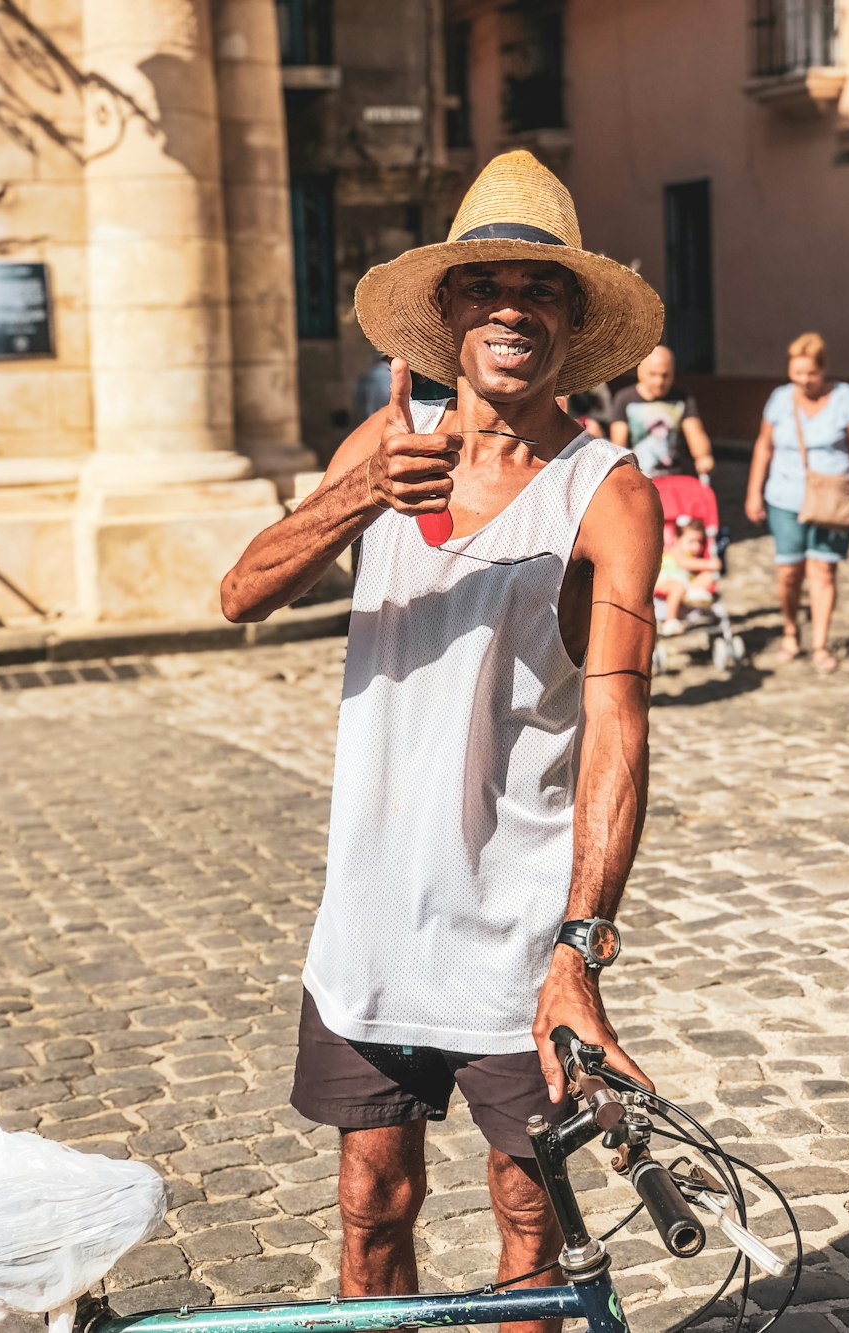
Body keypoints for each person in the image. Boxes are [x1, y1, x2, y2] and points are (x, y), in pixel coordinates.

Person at [219, 150, 665, 1330]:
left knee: (531, 1220)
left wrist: (580, 949)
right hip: (367, 920)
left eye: (541, 289)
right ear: (447, 313)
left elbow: (619, 720)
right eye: (484, 285)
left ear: (571, 323)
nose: (511, 305)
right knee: (371, 1203)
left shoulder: (604, 493)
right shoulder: (384, 440)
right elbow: (239, 592)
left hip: (515, 934)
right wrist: (357, 492)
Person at [744, 332, 849, 673]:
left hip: (831, 498)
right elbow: (763, 445)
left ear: (823, 370)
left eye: (810, 374)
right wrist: (754, 491)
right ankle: (790, 629)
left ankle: (820, 643)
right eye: (796, 373)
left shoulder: (846, 398)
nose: (803, 380)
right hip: (785, 497)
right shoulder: (780, 399)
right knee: (788, 572)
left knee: (823, 570)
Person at [609, 345, 714, 478]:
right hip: (641, 479)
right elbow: (619, 444)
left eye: (665, 375)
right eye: (653, 374)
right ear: (640, 371)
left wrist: (703, 457)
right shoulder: (624, 399)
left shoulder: (682, 398)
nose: (659, 381)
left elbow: (695, 433)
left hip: (677, 476)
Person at [655, 517, 721, 636]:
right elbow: (684, 563)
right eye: (691, 541)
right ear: (677, 539)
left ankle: (694, 595)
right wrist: (709, 564)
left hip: (685, 585)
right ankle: (670, 621)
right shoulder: (674, 550)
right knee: (677, 587)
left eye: (700, 542)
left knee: (708, 576)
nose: (696, 546)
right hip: (665, 582)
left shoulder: (692, 556)